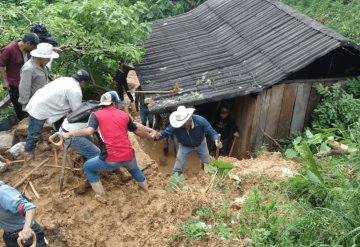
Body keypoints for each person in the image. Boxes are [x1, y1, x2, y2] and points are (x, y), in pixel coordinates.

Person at [61, 91, 156, 200]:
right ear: (114, 103)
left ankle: (101, 196)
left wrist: (69, 134)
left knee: (87, 167)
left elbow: (88, 132)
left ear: (102, 103)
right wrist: (150, 136)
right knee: (134, 169)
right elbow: (137, 130)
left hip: (111, 159)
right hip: (129, 155)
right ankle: (146, 191)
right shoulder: (124, 115)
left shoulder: (95, 115)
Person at [24, 69, 89, 160]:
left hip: (39, 101)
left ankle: (57, 142)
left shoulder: (65, 79)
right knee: (34, 132)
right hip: (40, 107)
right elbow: (77, 111)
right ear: (83, 81)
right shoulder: (75, 90)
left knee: (60, 125)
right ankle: (28, 153)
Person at [153, 105, 222, 174]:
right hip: (185, 145)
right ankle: (176, 179)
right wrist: (158, 135)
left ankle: (206, 175)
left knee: (206, 163)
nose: (185, 124)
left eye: (186, 122)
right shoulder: (175, 125)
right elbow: (166, 132)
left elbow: (212, 132)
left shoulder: (200, 120)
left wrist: (216, 140)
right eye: (182, 123)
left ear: (190, 117)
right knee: (178, 166)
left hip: (201, 143)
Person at [0, 32, 40, 120]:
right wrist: (5, 81)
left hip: (27, 83)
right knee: (20, 109)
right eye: (33, 46)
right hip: (15, 84)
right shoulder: (9, 49)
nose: (35, 49)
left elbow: (42, 51)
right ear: (28, 43)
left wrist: (55, 49)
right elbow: (1, 64)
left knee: (30, 106)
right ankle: (22, 126)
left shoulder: (28, 50)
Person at [0, 181, 47, 247]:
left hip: (27, 235)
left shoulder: (3, 193)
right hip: (10, 236)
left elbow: (29, 208)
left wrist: (26, 228)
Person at [18, 43, 59, 110]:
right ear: (41, 57)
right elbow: (24, 88)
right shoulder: (29, 69)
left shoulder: (43, 65)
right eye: (48, 58)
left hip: (41, 101)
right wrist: (25, 105)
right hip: (33, 104)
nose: (49, 60)